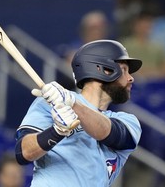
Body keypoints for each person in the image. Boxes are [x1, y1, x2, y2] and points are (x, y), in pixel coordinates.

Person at [15, 40, 143, 186]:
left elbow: (106, 131)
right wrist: (57, 131)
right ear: (104, 69)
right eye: (124, 70)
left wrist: (73, 103)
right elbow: (24, 153)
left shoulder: (128, 122)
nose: (131, 78)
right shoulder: (51, 102)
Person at [120, 12, 165, 81]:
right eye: (142, 23)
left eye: (148, 23)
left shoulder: (159, 46)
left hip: (155, 83)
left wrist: (152, 73)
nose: (145, 26)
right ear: (135, 25)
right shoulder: (125, 45)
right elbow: (121, 67)